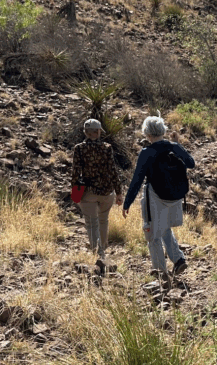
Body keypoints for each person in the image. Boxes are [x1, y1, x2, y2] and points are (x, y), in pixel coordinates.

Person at [122, 115, 195, 282]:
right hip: (174, 197)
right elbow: (191, 163)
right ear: (163, 130)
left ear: (147, 133)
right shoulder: (174, 147)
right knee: (164, 227)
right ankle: (178, 259)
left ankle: (161, 272)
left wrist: (127, 202)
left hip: (154, 196)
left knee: (152, 231)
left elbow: (137, 180)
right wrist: (178, 146)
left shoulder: (147, 152)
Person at [71, 118, 123, 266]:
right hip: (106, 191)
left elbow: (75, 172)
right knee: (103, 220)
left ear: (86, 132)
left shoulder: (79, 149)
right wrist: (119, 192)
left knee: (91, 223)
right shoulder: (107, 148)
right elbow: (112, 171)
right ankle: (103, 248)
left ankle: (98, 253)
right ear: (98, 132)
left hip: (88, 191)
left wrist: (74, 190)